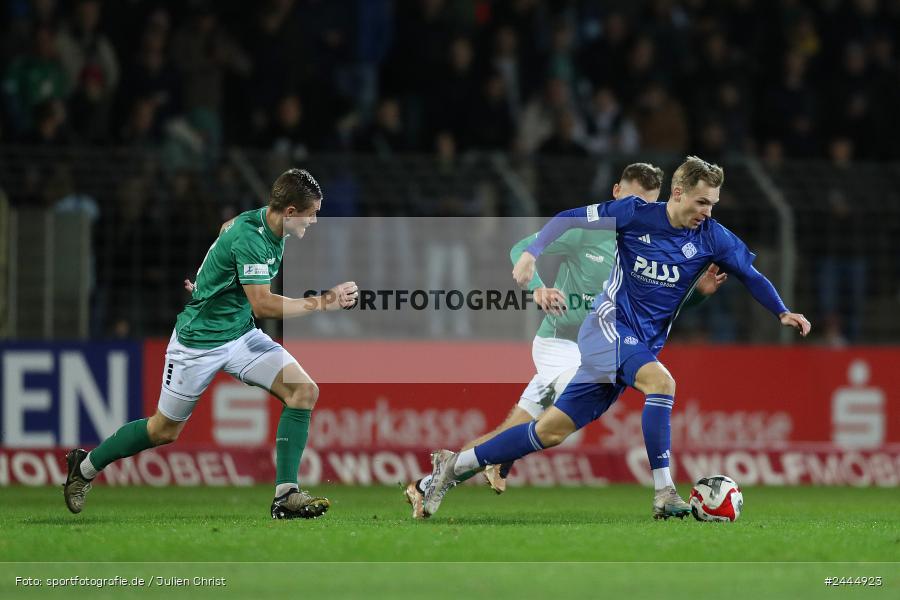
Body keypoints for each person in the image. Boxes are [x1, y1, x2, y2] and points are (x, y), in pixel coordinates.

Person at [421, 156, 810, 520]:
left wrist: (781, 310)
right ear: (678, 194)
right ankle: (664, 493)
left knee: (550, 431)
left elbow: (751, 275)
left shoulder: (713, 237)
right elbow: (569, 218)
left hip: (638, 344)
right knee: (662, 383)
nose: (708, 212)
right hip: (608, 327)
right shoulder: (634, 214)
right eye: (702, 202)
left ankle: (453, 467)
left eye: (713, 204)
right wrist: (532, 253)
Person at [63, 169, 359, 520]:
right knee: (163, 430)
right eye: (312, 213)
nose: (314, 221)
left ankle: (286, 495)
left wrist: (207, 281)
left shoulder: (266, 222)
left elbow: (224, 231)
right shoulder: (254, 237)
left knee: (304, 392)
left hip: (240, 334)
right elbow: (263, 304)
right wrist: (324, 302)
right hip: (198, 342)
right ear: (291, 211)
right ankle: (85, 467)